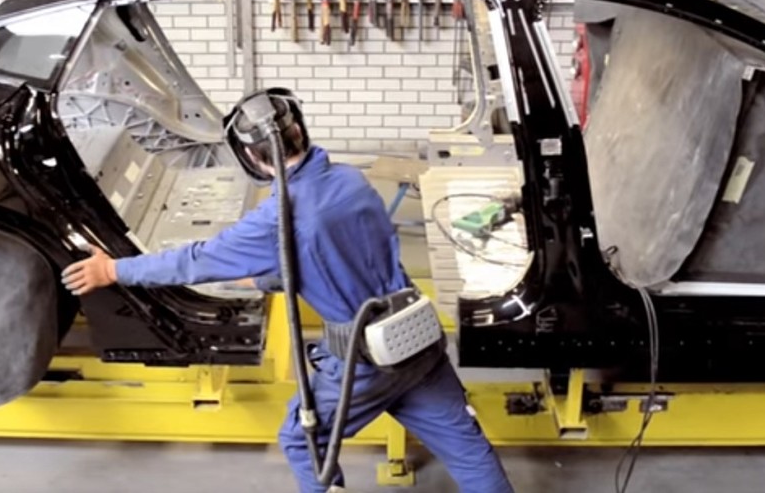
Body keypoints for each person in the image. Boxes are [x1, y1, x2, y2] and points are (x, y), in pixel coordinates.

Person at [63, 88, 514, 493]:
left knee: (303, 442)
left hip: (363, 362)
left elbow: (195, 260)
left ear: (250, 156)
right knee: (467, 447)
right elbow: (340, 256)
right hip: (419, 340)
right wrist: (264, 277)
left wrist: (114, 270)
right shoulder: (351, 180)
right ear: (299, 130)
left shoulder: (277, 218)